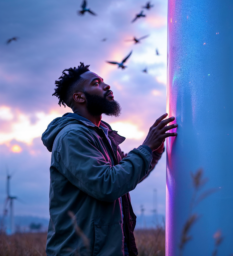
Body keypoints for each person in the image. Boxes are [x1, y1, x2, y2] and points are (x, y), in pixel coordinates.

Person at [42, 63, 177, 256]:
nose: (107, 86)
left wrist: (153, 151)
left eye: (104, 82)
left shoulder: (100, 135)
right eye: (96, 83)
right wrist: (146, 147)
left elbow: (125, 178)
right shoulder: (72, 137)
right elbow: (107, 185)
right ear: (79, 97)